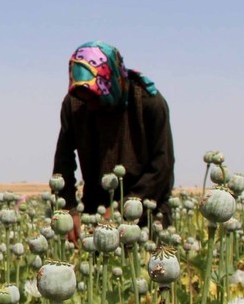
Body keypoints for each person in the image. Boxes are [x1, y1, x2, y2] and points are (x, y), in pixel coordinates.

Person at [51, 41, 175, 228]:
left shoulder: (149, 103)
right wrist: (68, 209)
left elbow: (162, 165)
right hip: (95, 211)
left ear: (112, 81)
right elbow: (63, 161)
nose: (90, 105)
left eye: (95, 97)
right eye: (85, 98)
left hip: (148, 210)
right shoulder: (75, 104)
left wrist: (123, 208)